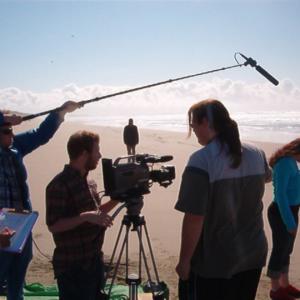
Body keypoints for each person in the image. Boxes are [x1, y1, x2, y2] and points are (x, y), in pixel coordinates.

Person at [175, 99, 272, 300]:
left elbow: (194, 217)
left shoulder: (201, 160)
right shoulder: (256, 152)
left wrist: (184, 261)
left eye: (193, 126)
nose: (193, 131)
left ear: (205, 123)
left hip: (215, 261)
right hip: (253, 253)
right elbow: (269, 176)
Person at [0, 101, 80, 300]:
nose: (11, 134)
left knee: (17, 280)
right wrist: (4, 118)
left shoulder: (16, 147)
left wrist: (60, 112)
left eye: (11, 130)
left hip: (20, 226)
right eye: (5, 131)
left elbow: (41, 134)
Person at [46, 130, 119, 300]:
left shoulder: (89, 182)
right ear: (85, 154)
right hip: (72, 267)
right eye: (97, 151)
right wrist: (84, 217)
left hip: (93, 262)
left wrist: (118, 199)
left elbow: (96, 213)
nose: (100, 155)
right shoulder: (59, 185)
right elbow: (53, 225)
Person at [266, 139, 300, 300]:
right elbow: (281, 196)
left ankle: (284, 285)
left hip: (291, 210)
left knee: (287, 250)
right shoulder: (285, 163)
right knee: (280, 250)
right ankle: (275, 290)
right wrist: (289, 222)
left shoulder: (292, 161)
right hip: (281, 212)